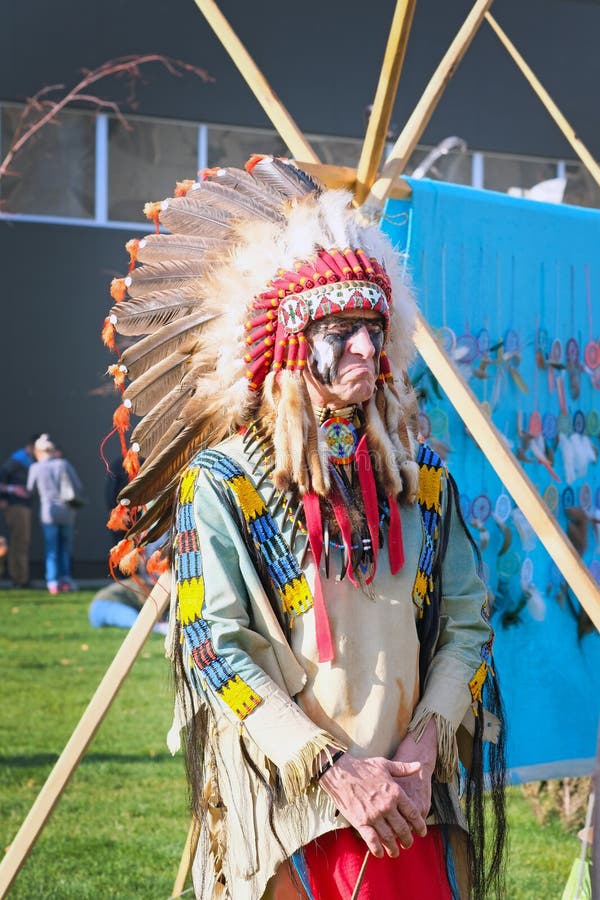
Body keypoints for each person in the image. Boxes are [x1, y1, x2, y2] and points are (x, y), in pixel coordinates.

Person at [106, 157, 506, 899]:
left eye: (374, 329)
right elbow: (211, 646)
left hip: (414, 805)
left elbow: (467, 624)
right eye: (342, 330)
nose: (365, 347)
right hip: (298, 813)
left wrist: (421, 754)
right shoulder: (223, 482)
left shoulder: (417, 477)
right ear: (291, 345)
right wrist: (334, 768)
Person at [27, 433, 85, 595]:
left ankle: (52, 582)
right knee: (65, 547)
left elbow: (30, 490)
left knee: (51, 549)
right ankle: (66, 579)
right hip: (67, 511)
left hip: (48, 512)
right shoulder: (63, 464)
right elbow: (78, 486)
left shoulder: (35, 468)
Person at [0, 436, 38, 587]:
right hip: (16, 506)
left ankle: (19, 577)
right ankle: (20, 579)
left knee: (20, 542)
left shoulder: (30, 462)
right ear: (31, 447)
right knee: (19, 542)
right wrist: (10, 491)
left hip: (23, 506)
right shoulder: (16, 461)